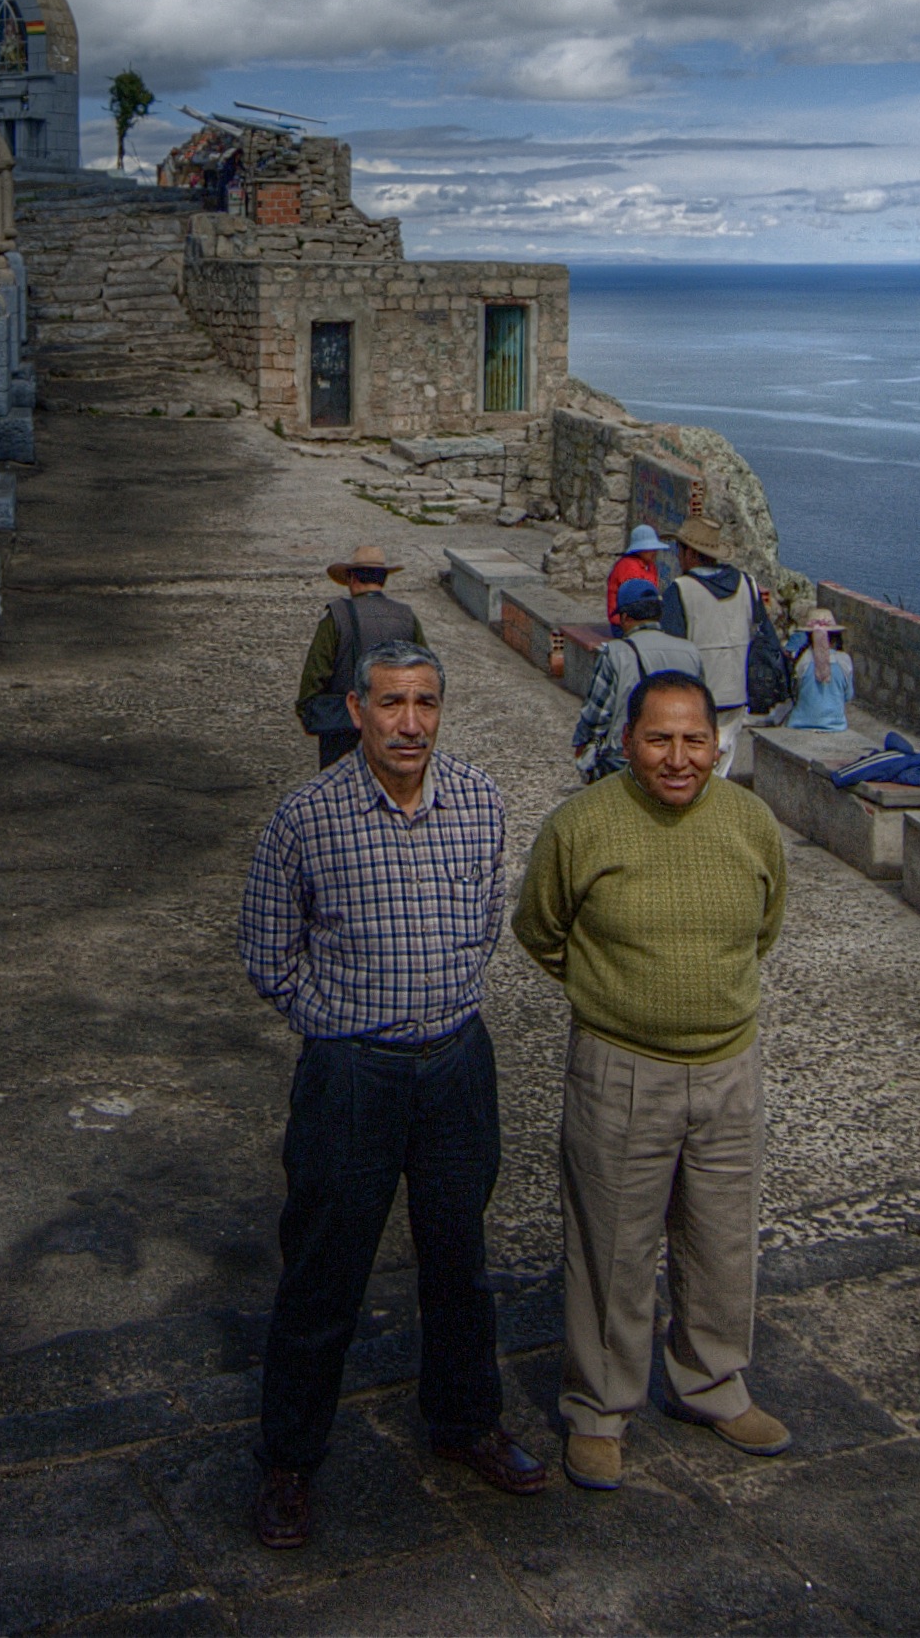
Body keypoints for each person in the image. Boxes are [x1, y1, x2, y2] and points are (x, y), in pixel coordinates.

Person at [236, 643, 550, 1546]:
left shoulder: (480, 800)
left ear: (440, 710)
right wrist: (335, 1021)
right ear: (356, 711)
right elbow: (268, 953)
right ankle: (289, 1463)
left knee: (459, 1261)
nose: (409, 723)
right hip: (351, 1073)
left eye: (424, 704)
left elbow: (487, 918)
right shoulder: (308, 817)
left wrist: (435, 999)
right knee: (324, 1272)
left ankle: (466, 1424)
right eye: (390, 705)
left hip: (455, 1063)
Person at [514, 670, 793, 1489]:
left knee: (721, 1241)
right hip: (619, 1070)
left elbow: (765, 926)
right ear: (628, 743)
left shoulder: (751, 821)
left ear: (717, 743)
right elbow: (540, 927)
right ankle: (598, 1409)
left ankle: (711, 1385)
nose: (678, 758)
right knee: (612, 1249)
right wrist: (618, 995)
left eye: (694, 739)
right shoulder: (581, 826)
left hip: (729, 1068)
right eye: (659, 739)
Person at [294, 545, 423, 771]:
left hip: (342, 728)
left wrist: (310, 713)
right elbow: (424, 673)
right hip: (394, 725)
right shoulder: (406, 616)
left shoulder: (336, 616)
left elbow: (315, 674)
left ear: (352, 579)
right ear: (383, 579)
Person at [570, 581, 707, 781]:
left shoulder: (615, 653)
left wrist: (583, 745)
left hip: (625, 755)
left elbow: (597, 713)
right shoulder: (691, 652)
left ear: (625, 617)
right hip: (678, 754)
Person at [668, 523, 774, 720]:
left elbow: (672, 648)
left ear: (690, 553)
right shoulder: (747, 584)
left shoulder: (680, 589)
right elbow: (766, 635)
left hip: (697, 695)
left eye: (679, 550)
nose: (677, 556)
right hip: (738, 692)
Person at [782, 610, 853, 733]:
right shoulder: (844, 660)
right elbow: (848, 695)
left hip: (800, 723)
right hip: (835, 725)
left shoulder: (803, 660)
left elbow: (796, 692)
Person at [603, 523, 673, 631]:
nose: (653, 552)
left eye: (654, 548)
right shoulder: (628, 566)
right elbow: (635, 602)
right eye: (648, 549)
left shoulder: (650, 566)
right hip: (625, 624)